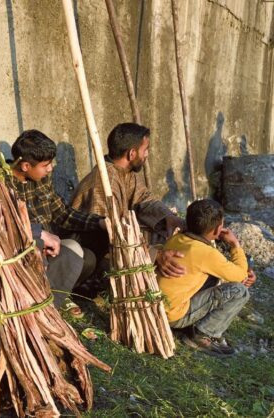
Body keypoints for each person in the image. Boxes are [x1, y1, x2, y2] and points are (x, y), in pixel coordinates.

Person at [6, 129, 108, 315]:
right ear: (26, 166)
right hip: (25, 258)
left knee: (89, 258)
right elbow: (9, 228)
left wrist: (100, 223)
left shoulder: (41, 180)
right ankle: (44, 304)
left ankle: (61, 292)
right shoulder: (3, 186)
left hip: (51, 249)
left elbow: (62, 213)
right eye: (46, 165)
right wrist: (37, 240)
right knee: (74, 253)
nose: (51, 168)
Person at [158, 199, 256, 356]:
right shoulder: (207, 254)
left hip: (160, 308)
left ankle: (191, 326)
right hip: (173, 316)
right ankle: (202, 335)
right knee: (240, 291)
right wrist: (235, 245)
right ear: (217, 229)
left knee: (211, 277)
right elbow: (240, 276)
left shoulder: (177, 239)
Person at [72, 123, 185, 241]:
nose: (147, 154)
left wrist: (168, 216)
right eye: (145, 150)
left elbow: (144, 199)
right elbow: (105, 231)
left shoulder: (125, 172)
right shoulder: (105, 182)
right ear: (132, 154)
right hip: (88, 247)